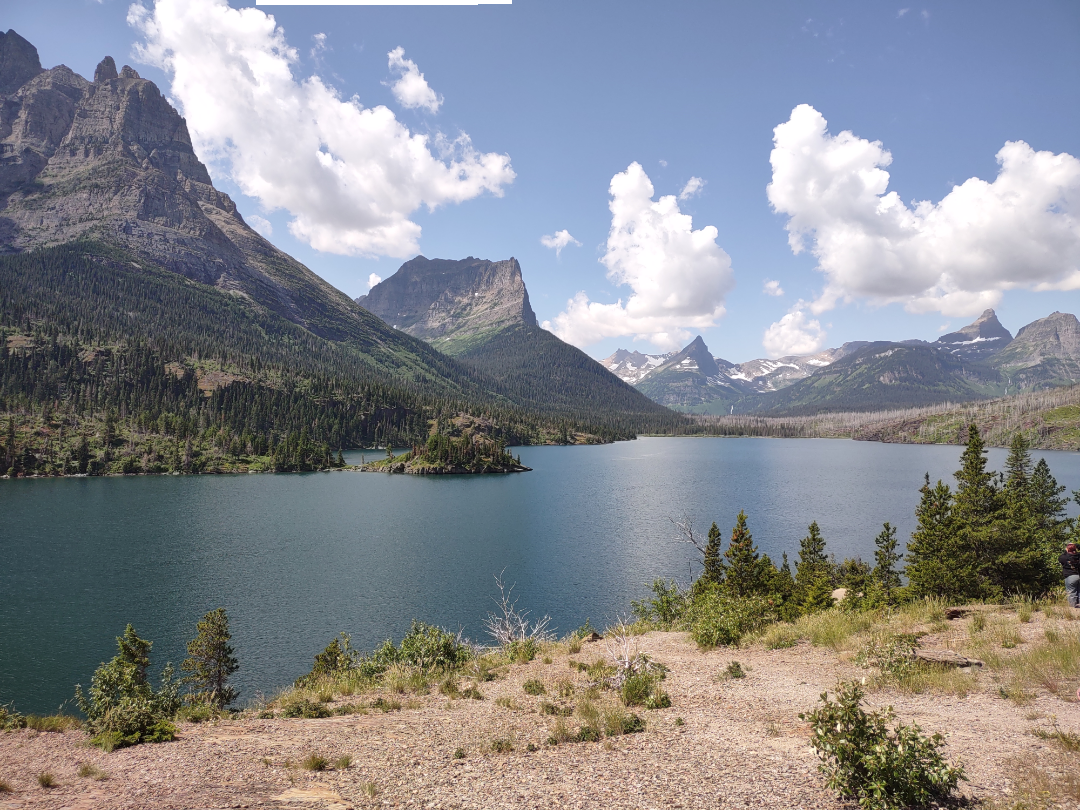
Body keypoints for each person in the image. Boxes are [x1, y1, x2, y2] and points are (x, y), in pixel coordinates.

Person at [1060, 542, 1080, 608]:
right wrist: (1076, 545)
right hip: (1078, 575)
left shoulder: (1064, 557)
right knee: (1079, 590)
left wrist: (1066, 551)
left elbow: (1060, 558)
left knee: (1071, 592)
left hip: (1070, 576)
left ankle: (1073, 606)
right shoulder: (1078, 556)